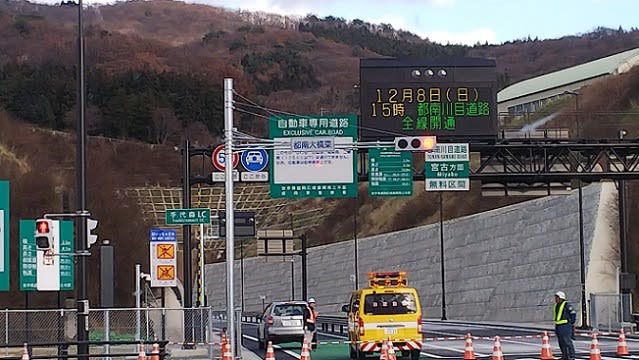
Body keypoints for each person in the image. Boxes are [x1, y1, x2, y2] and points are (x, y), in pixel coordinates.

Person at [553, 291, 576, 360]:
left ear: (561, 298)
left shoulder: (567, 305)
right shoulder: (556, 305)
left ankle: (572, 356)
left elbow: (573, 314)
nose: (555, 299)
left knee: (567, 341)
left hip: (565, 325)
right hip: (558, 325)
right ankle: (564, 356)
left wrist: (571, 323)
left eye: (557, 297)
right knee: (561, 342)